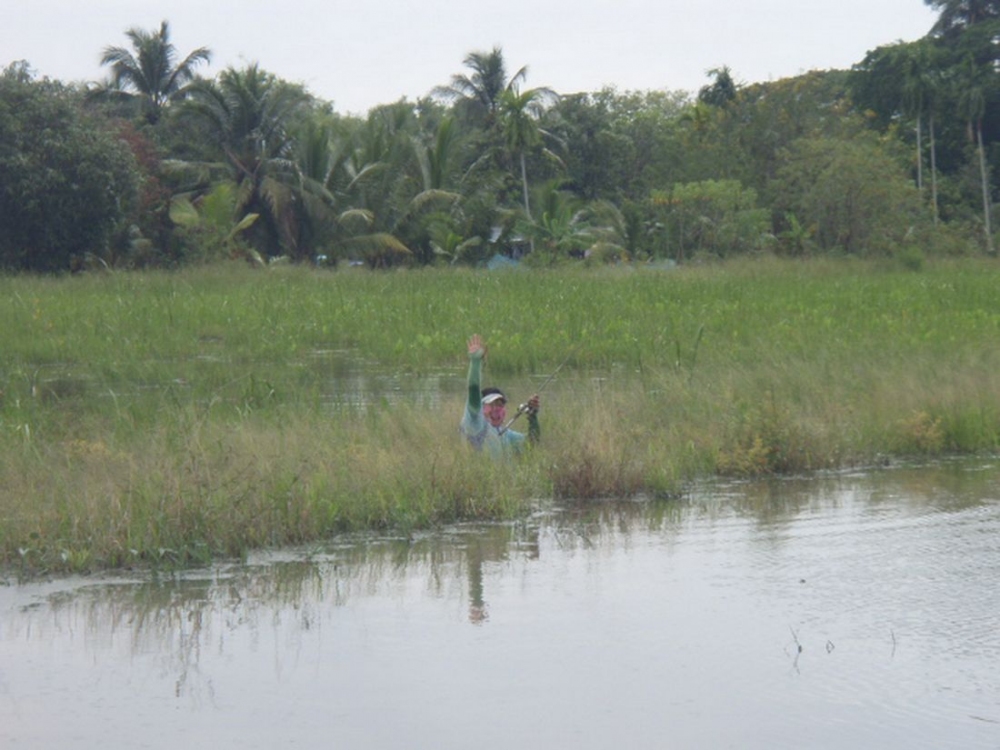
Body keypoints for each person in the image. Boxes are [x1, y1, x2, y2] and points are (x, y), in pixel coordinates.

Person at [460, 334, 540, 457]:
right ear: (481, 408)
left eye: (500, 405)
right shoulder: (475, 424)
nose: (496, 409)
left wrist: (533, 417)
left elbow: (532, 444)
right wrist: (475, 362)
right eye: (491, 405)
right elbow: (474, 390)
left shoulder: (507, 435)